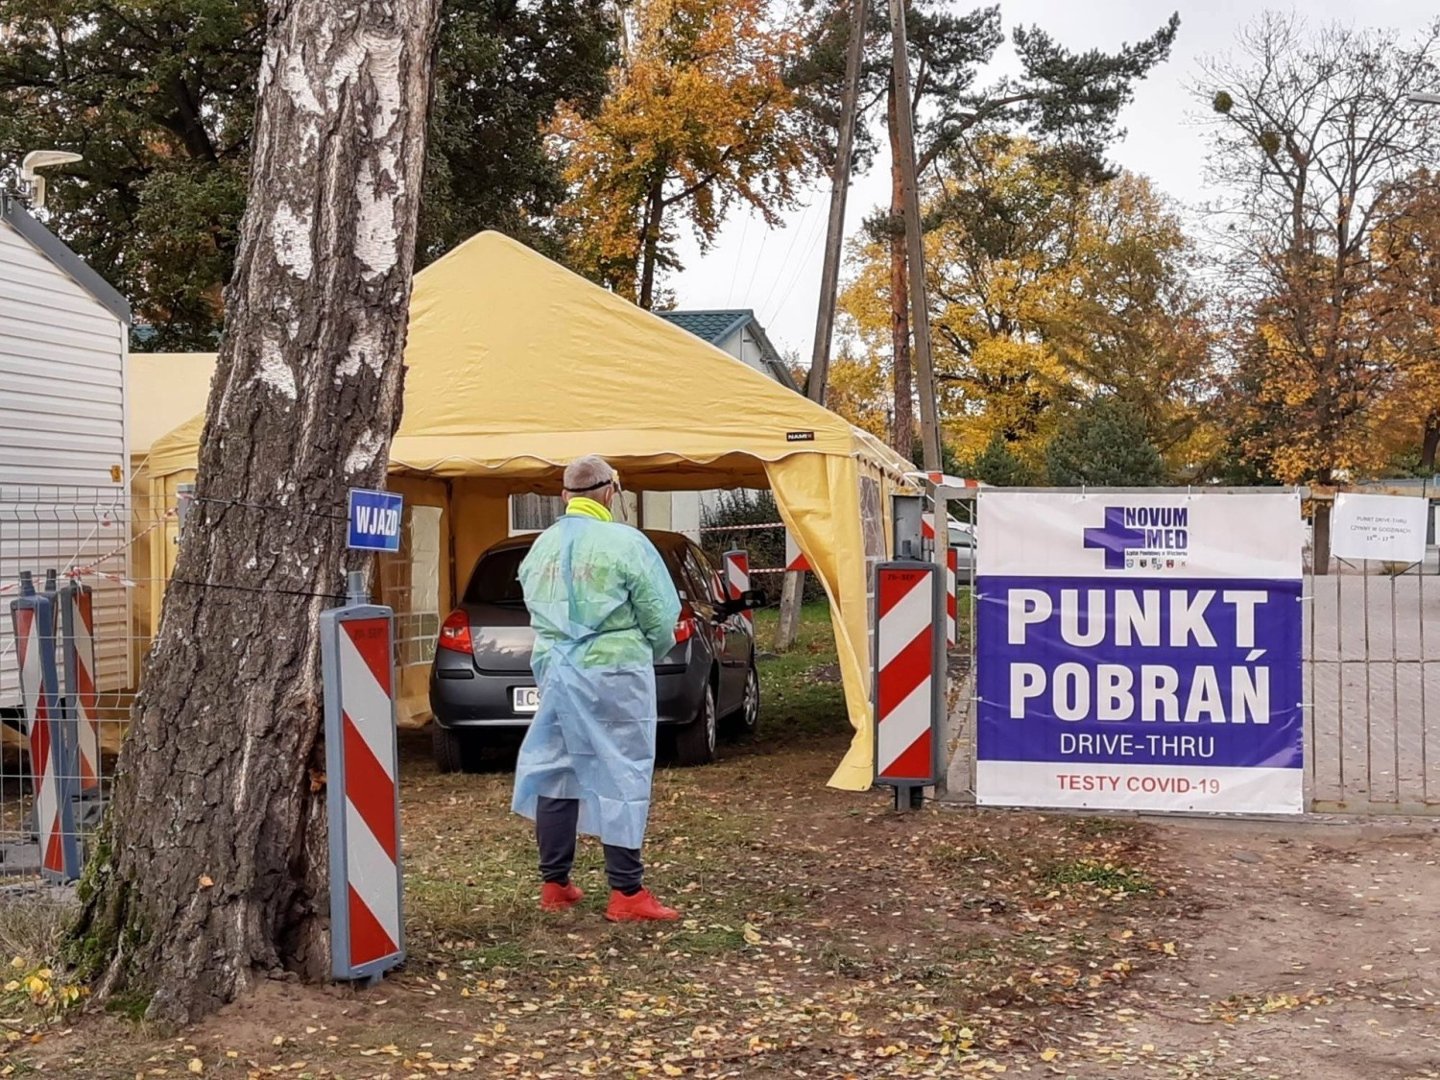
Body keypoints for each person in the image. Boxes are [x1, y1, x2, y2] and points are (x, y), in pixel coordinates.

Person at [511, 455, 683, 922]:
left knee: (556, 768)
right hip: (614, 672)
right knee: (621, 768)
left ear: (565, 495)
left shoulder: (540, 547)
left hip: (556, 670)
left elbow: (534, 605)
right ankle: (626, 891)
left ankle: (555, 882)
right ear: (611, 491)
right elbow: (659, 611)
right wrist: (652, 645)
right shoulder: (627, 543)